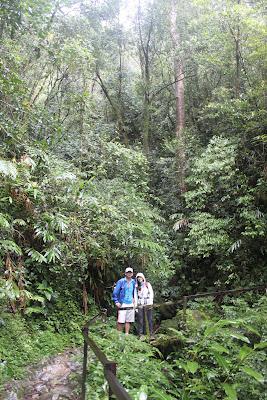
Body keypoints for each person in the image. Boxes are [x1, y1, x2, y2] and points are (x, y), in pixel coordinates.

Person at [112, 267, 137, 335]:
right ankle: (119, 335)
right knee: (120, 320)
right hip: (123, 303)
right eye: (128, 272)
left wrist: (135, 301)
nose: (129, 274)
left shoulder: (133, 282)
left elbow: (135, 292)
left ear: (132, 274)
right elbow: (115, 292)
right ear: (125, 273)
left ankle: (126, 334)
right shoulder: (121, 281)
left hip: (130, 303)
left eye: (130, 272)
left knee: (128, 320)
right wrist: (116, 301)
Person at [136, 272, 154, 338]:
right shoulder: (137, 286)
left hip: (148, 303)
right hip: (140, 304)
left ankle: (151, 334)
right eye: (138, 277)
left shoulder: (147, 284)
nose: (139, 279)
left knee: (150, 319)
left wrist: (150, 303)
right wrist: (136, 306)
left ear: (143, 277)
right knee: (140, 319)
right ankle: (141, 334)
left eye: (140, 277)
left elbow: (151, 293)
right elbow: (135, 296)